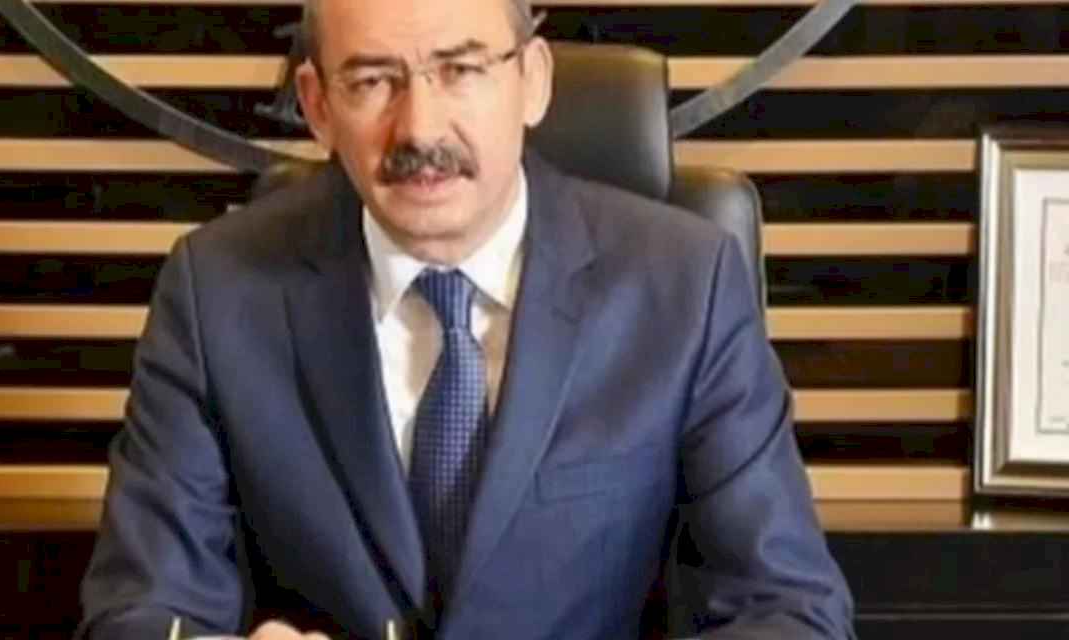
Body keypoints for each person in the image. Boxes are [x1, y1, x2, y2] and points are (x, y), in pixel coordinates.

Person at [78, 0, 856, 637]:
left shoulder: (684, 286)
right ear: (317, 106)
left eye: (461, 70)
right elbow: (137, 611)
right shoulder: (216, 294)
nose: (420, 128)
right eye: (373, 81)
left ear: (533, 81)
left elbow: (789, 610)